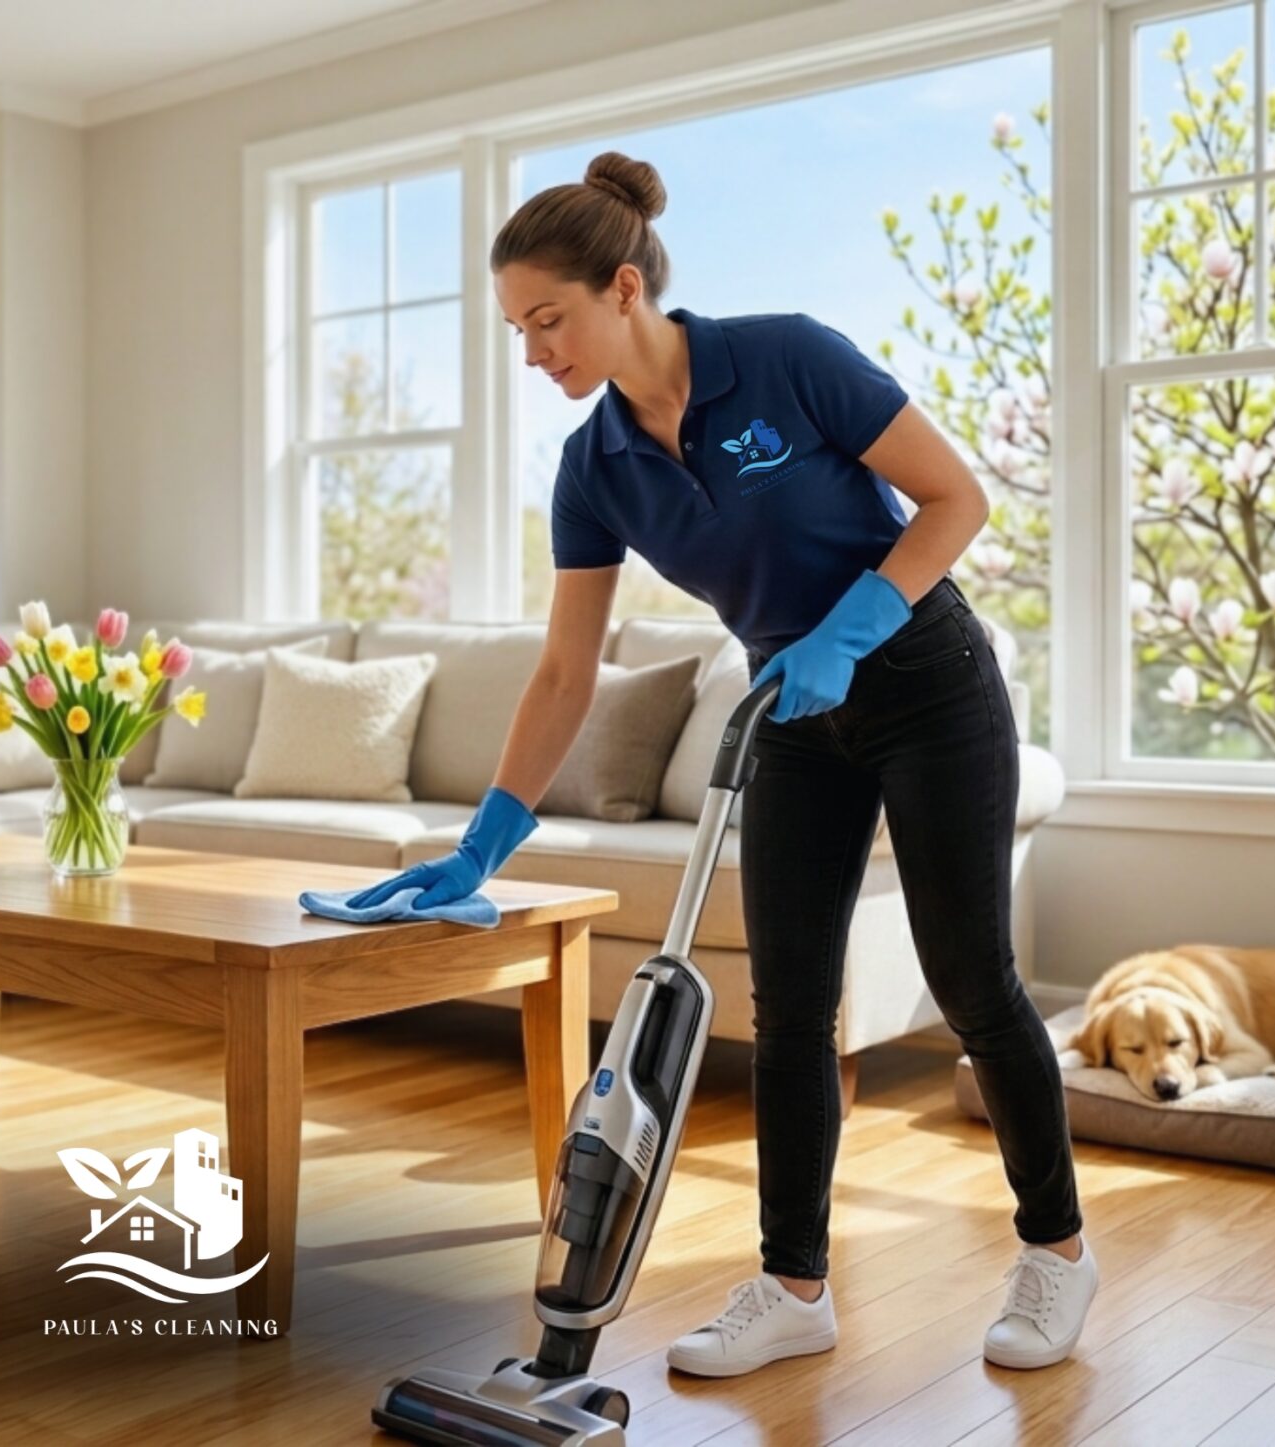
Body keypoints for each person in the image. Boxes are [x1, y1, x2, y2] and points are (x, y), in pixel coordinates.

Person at [346, 151, 1094, 1375]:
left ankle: (1056, 1254)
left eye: (550, 319)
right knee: (788, 1007)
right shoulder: (595, 468)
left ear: (624, 289)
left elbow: (954, 500)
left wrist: (854, 627)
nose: (535, 352)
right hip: (788, 710)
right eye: (516, 330)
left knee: (972, 976)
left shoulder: (785, 357)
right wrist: (486, 836)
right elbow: (563, 671)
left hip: (923, 681)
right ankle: (793, 1284)